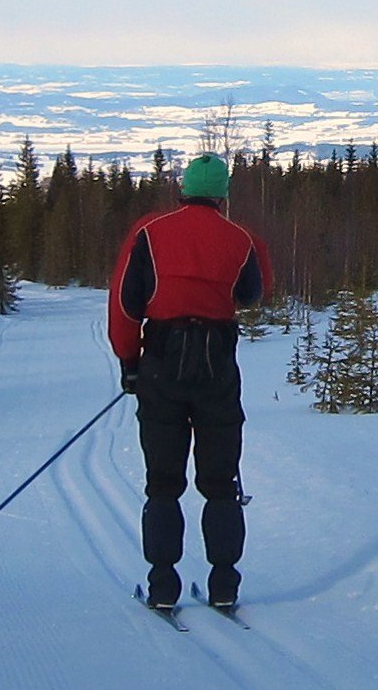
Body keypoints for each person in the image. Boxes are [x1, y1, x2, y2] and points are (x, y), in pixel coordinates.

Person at [108, 152, 272, 609]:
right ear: (222, 193)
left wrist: (129, 362)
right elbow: (254, 293)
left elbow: (125, 304)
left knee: (163, 481)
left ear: (183, 187)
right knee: (221, 481)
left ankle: (163, 586)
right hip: (217, 364)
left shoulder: (149, 232)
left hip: (162, 363)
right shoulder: (240, 239)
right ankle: (224, 586)